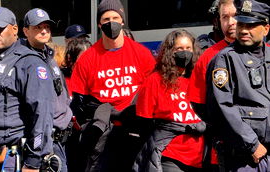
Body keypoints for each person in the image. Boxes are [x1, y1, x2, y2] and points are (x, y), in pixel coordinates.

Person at [0, 7, 55, 172]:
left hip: (7, 160)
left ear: (15, 30)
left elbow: (42, 115)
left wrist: (33, 163)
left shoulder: (29, 63)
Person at [69, 0, 156, 171]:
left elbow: (153, 92)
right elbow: (79, 102)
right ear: (99, 24)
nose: (111, 23)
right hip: (102, 135)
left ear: (122, 21)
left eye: (115, 17)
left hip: (135, 131)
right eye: (106, 19)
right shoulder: (88, 58)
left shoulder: (141, 53)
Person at [206, 0, 270, 171]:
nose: (243, 30)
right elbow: (222, 108)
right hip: (245, 155)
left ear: (266, 29)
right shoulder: (225, 58)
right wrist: (252, 145)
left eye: (250, 25)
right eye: (241, 24)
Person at [133, 29, 205, 172]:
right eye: (179, 48)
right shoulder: (155, 81)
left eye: (188, 48)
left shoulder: (199, 79)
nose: (184, 52)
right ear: (169, 51)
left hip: (199, 155)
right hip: (169, 154)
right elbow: (143, 121)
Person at [22, 8, 73, 172]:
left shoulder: (50, 57)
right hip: (40, 144)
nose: (44, 31)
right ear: (25, 31)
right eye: (38, 27)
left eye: (47, 27)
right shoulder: (22, 60)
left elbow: (61, 94)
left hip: (60, 140)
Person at [187, 0, 237, 168]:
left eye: (235, 16)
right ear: (218, 21)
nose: (230, 22)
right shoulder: (208, 57)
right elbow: (197, 102)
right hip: (226, 150)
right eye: (225, 17)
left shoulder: (265, 52)